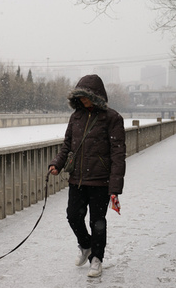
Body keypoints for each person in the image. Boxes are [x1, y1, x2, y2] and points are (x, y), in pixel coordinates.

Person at [49, 74, 126, 277]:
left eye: (86, 97)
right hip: (77, 179)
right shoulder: (76, 117)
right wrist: (57, 163)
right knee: (73, 216)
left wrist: (115, 188)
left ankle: (97, 259)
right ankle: (85, 245)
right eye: (80, 97)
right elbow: (67, 146)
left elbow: (118, 155)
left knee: (97, 222)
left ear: (97, 96)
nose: (83, 101)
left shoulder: (112, 118)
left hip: (101, 180)